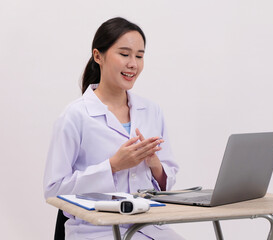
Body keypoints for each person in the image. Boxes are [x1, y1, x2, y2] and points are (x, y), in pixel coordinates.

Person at [43, 17, 184, 240]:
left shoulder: (152, 111)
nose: (133, 64)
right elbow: (53, 191)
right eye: (124, 54)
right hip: (96, 230)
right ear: (98, 56)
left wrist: (156, 166)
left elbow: (168, 179)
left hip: (149, 225)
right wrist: (113, 166)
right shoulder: (75, 115)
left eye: (139, 56)